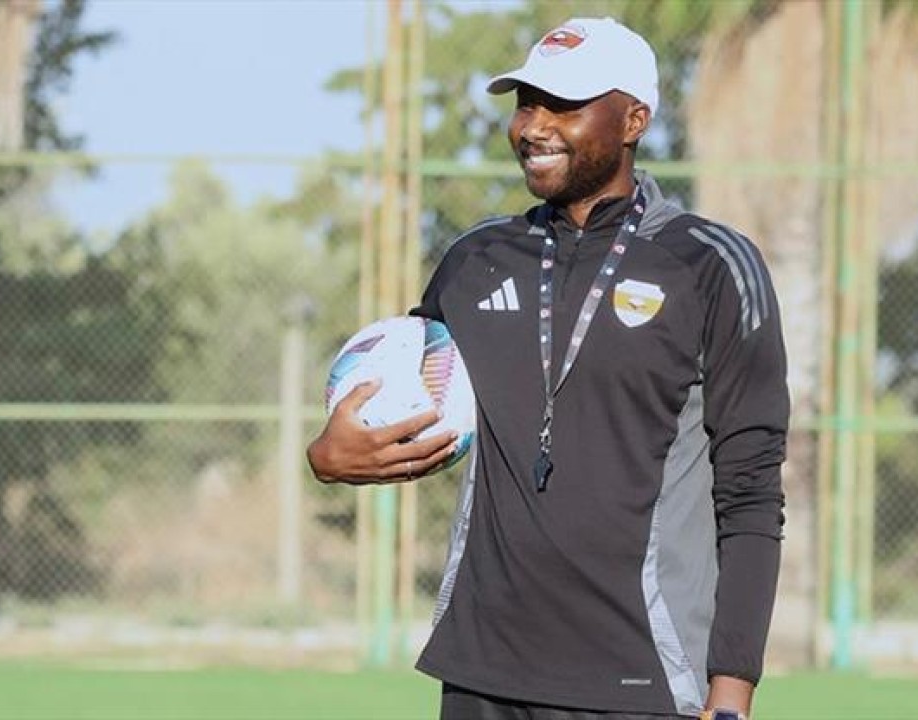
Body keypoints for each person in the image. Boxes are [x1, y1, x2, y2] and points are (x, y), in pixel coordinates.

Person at [307, 17, 789, 720]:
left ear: (634, 119)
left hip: (642, 679)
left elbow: (750, 491)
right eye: (525, 103)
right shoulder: (474, 261)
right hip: (481, 673)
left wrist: (733, 688)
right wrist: (330, 457)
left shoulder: (710, 264)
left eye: (563, 105)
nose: (533, 126)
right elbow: (406, 398)